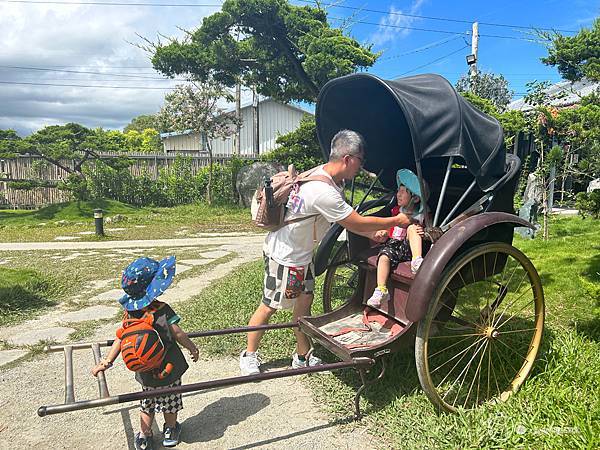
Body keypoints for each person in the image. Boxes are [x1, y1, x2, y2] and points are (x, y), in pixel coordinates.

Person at [239, 129, 414, 376]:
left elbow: (343, 222)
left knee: (303, 305)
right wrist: (396, 220)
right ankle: (249, 354)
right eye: (361, 161)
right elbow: (356, 222)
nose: (360, 167)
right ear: (348, 158)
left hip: (302, 256)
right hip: (283, 255)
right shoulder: (324, 191)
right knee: (269, 306)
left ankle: (302, 355)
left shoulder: (323, 176)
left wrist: (370, 234)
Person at [92, 256, 199, 450]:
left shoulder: (129, 313)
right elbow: (178, 333)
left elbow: (121, 337)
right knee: (171, 401)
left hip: (145, 369)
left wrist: (108, 361)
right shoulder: (162, 309)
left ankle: (144, 435)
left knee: (146, 404)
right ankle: (170, 431)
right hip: (169, 367)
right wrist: (192, 347)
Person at [366, 169, 427, 308]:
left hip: (410, 247)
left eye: (403, 191)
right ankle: (381, 290)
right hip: (393, 245)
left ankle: (417, 261)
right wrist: (384, 232)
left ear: (415, 198)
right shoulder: (395, 211)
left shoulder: (421, 214)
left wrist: (421, 229)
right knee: (383, 257)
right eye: (398, 190)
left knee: (412, 228)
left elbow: (427, 229)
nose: (398, 194)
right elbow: (392, 229)